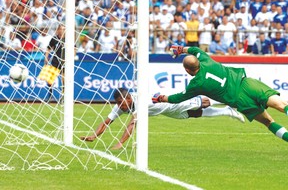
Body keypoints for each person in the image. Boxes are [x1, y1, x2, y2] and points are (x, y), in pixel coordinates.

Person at [154, 46, 288, 142]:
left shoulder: (197, 84)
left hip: (239, 100)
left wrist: (161, 98)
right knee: (282, 105)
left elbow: (177, 98)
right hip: (246, 84)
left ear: (187, 70)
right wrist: (181, 49)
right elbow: (195, 50)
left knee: (269, 121)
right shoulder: (206, 59)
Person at [80, 88, 245, 149]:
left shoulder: (139, 100)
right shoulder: (121, 106)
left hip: (173, 102)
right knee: (196, 114)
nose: (119, 106)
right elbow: (106, 122)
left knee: (205, 102)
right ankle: (227, 111)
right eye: (118, 103)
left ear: (129, 98)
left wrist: (120, 143)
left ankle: (232, 101)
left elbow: (133, 123)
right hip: (168, 111)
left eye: (121, 102)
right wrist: (94, 136)